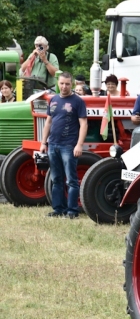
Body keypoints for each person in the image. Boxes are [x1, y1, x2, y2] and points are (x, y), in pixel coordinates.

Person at [39, 72, 87, 219]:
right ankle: (58, 209)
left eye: (67, 84)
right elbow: (48, 122)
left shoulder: (78, 101)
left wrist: (79, 145)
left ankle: (72, 211)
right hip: (53, 145)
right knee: (56, 179)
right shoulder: (53, 100)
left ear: (71, 84)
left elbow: (83, 124)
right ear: (57, 83)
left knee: (71, 180)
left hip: (68, 146)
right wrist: (43, 143)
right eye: (61, 83)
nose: (64, 86)